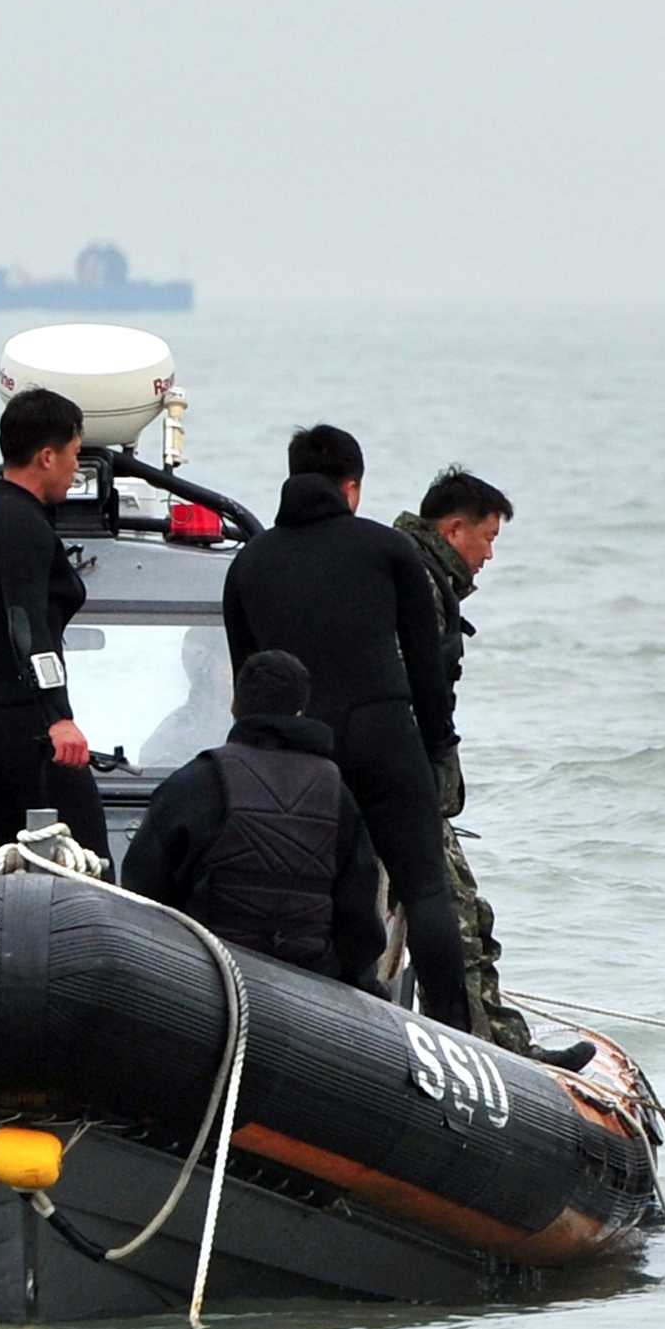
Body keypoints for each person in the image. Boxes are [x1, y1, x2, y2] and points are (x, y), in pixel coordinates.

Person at [220, 424, 473, 1033]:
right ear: (351, 487)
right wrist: (439, 746)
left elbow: (248, 685)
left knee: (331, 894)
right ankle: (459, 1040)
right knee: (425, 890)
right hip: (387, 736)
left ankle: (337, 1028)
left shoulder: (248, 566)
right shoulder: (387, 551)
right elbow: (425, 665)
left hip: (305, 755)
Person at [123, 651, 388, 994]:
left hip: (209, 984)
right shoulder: (338, 795)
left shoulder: (195, 782)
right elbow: (360, 922)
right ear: (301, 709)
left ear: (235, 705)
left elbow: (141, 889)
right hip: (312, 989)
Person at [391, 465, 531, 1053]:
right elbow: (410, 692)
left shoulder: (408, 574)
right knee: (458, 915)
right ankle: (488, 1045)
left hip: (386, 771)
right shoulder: (419, 585)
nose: (490, 555)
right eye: (488, 538)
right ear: (453, 531)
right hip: (397, 777)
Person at [0, 387, 110, 871]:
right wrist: (57, 715)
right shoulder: (24, 526)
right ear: (46, 456)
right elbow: (26, 625)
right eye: (74, 455)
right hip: (22, 728)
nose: (75, 469)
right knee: (90, 862)